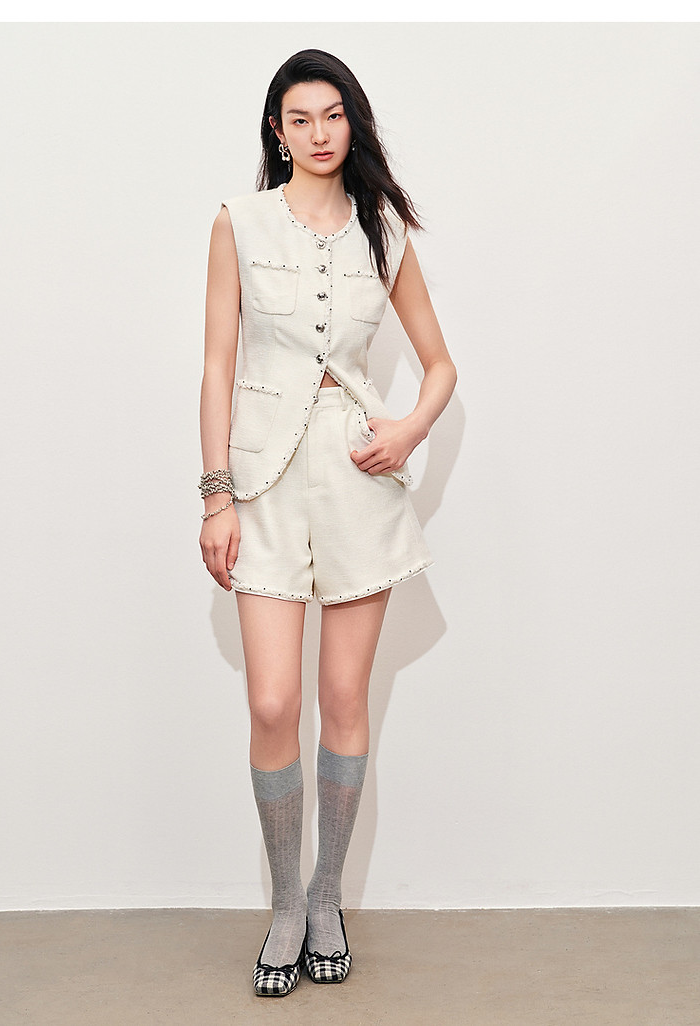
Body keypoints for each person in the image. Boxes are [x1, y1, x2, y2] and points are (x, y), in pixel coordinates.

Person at [199, 48, 457, 997]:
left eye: (333, 115)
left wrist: (408, 429)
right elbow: (216, 364)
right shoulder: (238, 222)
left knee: (345, 699)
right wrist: (216, 495)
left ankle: (325, 899)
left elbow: (440, 364)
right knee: (273, 703)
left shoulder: (382, 230)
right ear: (277, 131)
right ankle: (282, 904)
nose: (318, 133)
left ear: (354, 122)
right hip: (261, 487)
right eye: (300, 118)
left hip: (357, 481)